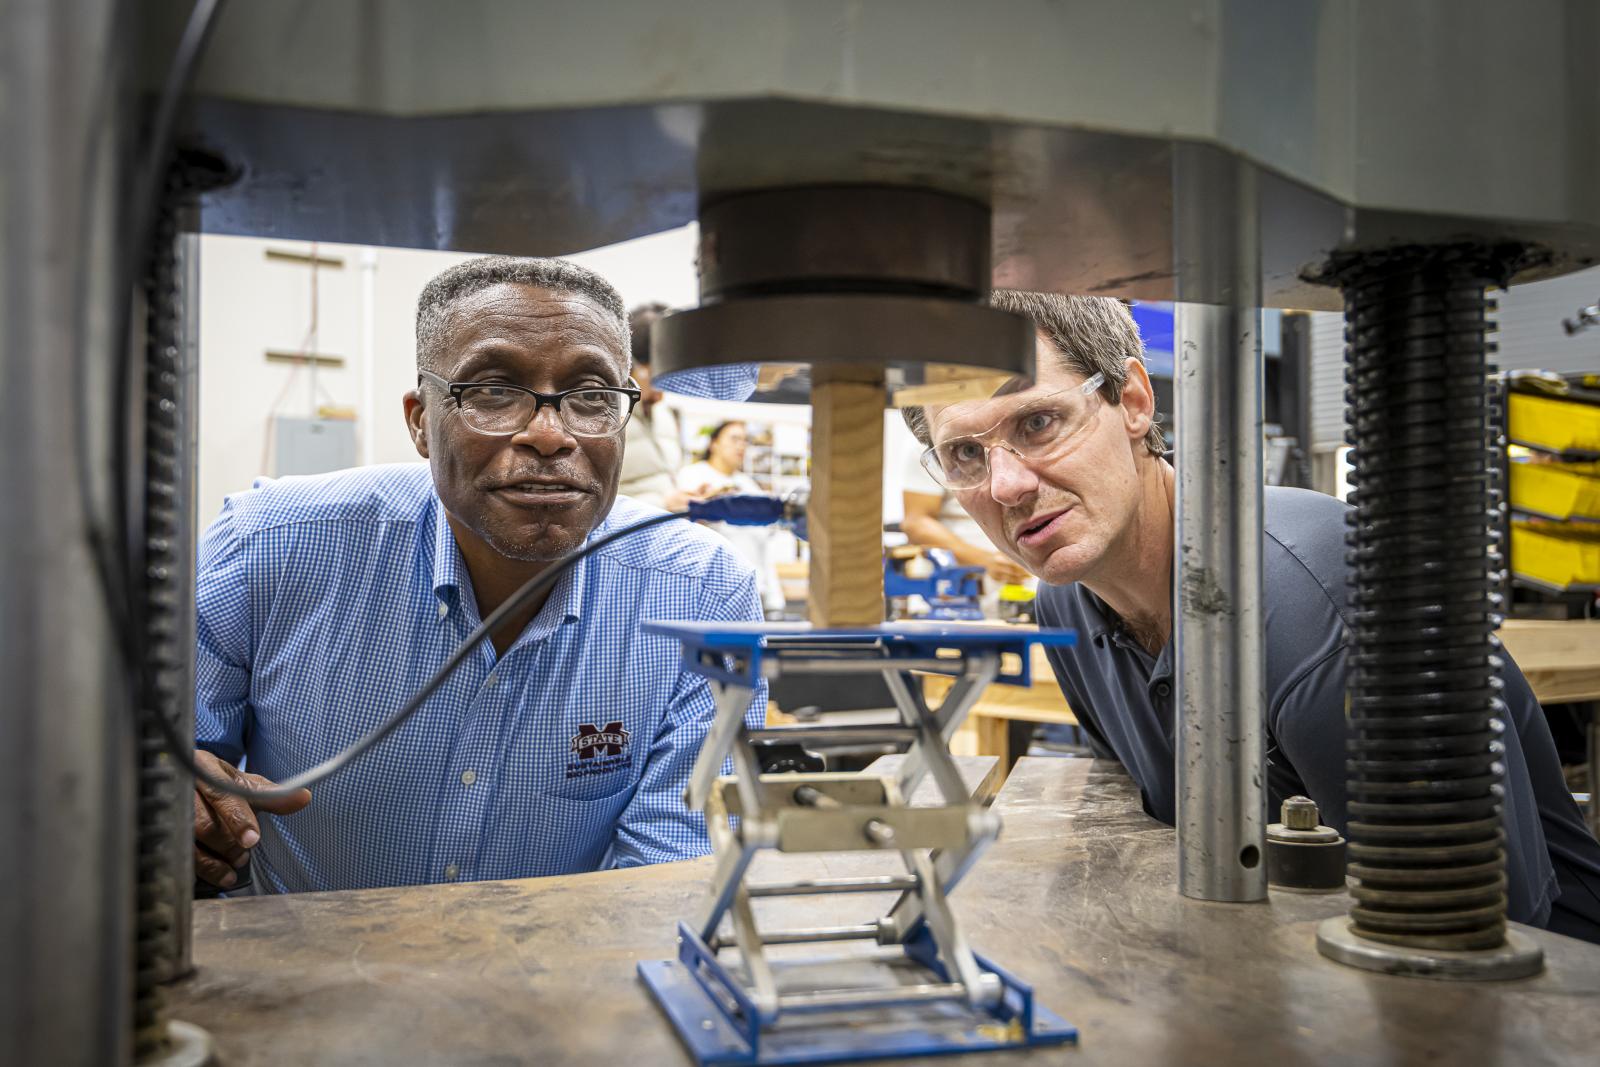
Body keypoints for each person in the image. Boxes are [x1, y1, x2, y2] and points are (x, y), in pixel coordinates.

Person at [903, 288, 1600, 944]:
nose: (1008, 485)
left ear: (1135, 400)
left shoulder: (1318, 603)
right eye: (966, 453)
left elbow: (1487, 927)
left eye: (1038, 421)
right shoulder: (1067, 605)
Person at [191, 256, 765, 894]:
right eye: (493, 390)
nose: (550, 436)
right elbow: (161, 765)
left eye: (592, 397)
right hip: (294, 979)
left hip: (564, 981)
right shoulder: (271, 547)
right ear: (419, 421)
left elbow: (670, 882)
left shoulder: (702, 595)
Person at [678, 421, 785, 614]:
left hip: (753, 593)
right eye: (734, 439)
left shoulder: (748, 485)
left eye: (745, 440)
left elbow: (763, 546)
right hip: (710, 593)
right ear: (714, 443)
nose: (741, 445)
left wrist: (774, 598)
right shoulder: (692, 477)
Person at [901, 431, 1030, 588]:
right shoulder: (928, 445)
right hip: (961, 585)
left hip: (1023, 578)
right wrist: (983, 560)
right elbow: (917, 523)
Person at [617, 302, 694, 511]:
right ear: (632, 365)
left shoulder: (664, 414)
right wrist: (662, 504)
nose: (664, 391)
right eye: (657, 375)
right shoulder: (607, 416)